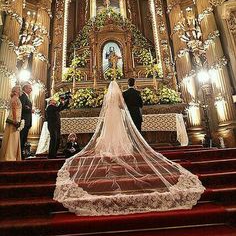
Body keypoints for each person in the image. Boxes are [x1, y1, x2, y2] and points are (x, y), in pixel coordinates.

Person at [54, 81, 205, 216]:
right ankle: (119, 147)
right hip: (118, 116)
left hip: (109, 116)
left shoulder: (108, 96)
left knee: (109, 132)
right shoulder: (122, 95)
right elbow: (122, 106)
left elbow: (105, 107)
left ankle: (109, 146)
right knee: (119, 133)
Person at [0, 86, 22, 161]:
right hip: (14, 120)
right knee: (12, 138)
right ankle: (10, 156)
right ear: (16, 91)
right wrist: (15, 120)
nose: (20, 91)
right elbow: (14, 109)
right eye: (19, 89)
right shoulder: (15, 98)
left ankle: (11, 155)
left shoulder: (15, 98)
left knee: (13, 137)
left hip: (15, 119)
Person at [20, 83, 33, 158]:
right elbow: (23, 106)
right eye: (30, 88)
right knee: (22, 137)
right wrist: (30, 110)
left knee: (24, 138)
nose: (31, 90)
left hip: (27, 121)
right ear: (25, 89)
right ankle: (21, 154)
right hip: (24, 120)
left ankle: (22, 153)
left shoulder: (27, 96)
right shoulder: (23, 96)